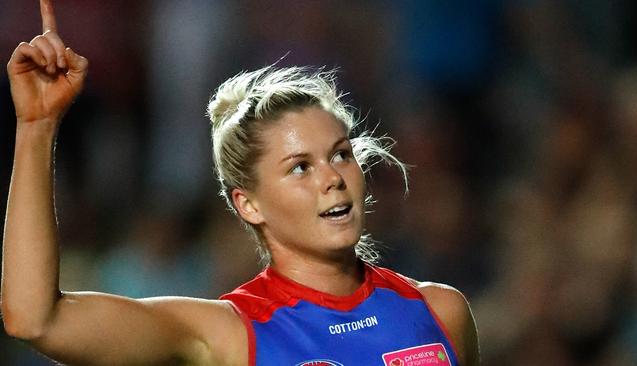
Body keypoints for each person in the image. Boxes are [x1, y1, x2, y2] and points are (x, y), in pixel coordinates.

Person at [1, 1, 480, 365]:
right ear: (248, 204)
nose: (332, 178)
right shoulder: (227, 333)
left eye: (340, 155)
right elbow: (35, 317)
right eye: (299, 167)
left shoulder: (441, 311)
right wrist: (37, 127)